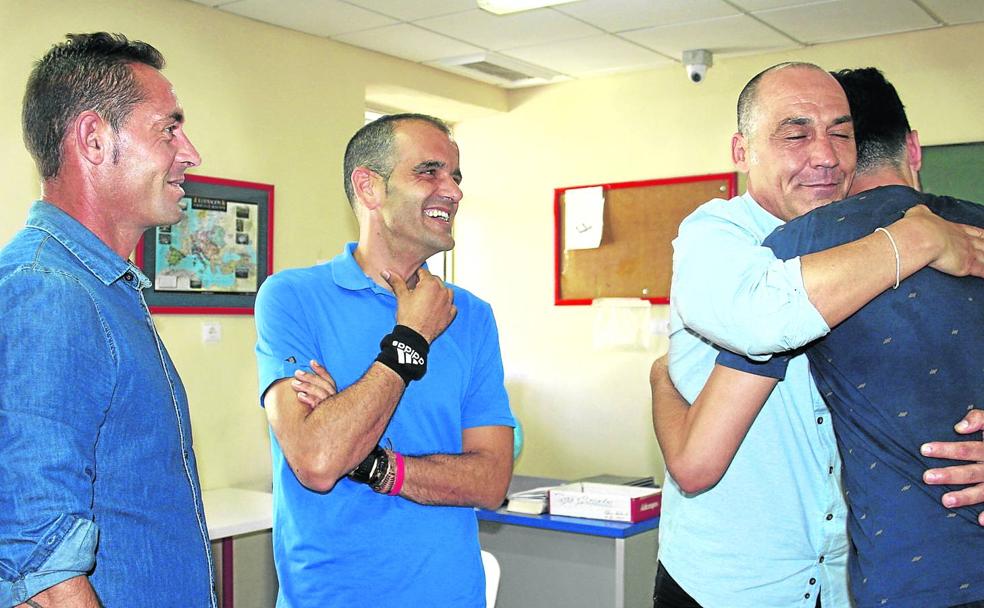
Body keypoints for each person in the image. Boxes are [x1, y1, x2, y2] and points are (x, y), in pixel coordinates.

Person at [651, 62, 984, 608]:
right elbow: (760, 318)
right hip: (726, 586)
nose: (826, 156)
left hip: (842, 579)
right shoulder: (716, 236)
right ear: (741, 151)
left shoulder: (864, 240)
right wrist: (914, 239)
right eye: (795, 133)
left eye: (841, 133)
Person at [254, 113, 515, 607]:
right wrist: (410, 338)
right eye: (430, 172)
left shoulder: (472, 316)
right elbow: (317, 461)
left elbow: (491, 480)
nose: (453, 192)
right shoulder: (291, 297)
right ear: (368, 187)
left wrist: (373, 463)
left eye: (456, 177)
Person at [0, 33, 214, 607]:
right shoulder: (48, 290)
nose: (189, 152)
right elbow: (36, 561)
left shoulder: (104, 291)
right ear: (94, 140)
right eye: (168, 128)